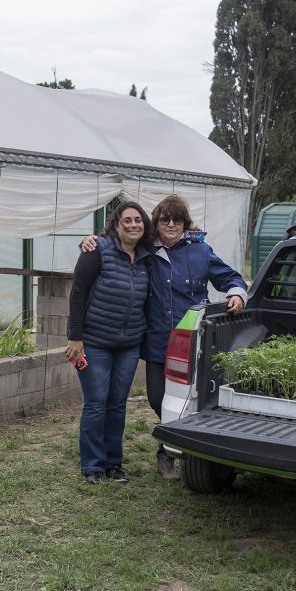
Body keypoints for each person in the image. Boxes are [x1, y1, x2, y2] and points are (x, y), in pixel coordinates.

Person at [82, 195, 246, 479]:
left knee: (195, 400)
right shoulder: (146, 250)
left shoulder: (200, 251)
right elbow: (116, 239)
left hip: (194, 343)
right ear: (155, 224)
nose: (171, 224)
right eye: (164, 219)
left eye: (177, 220)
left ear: (185, 224)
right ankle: (173, 445)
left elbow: (230, 277)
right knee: (158, 400)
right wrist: (89, 240)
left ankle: (168, 452)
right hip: (157, 343)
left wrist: (236, 294)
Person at [65, 201, 153, 484]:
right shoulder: (97, 250)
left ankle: (113, 464)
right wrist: (74, 338)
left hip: (128, 344)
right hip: (94, 342)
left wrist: (193, 230)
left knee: (117, 404)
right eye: (126, 220)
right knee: (96, 403)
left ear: (144, 225)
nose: (133, 225)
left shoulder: (146, 256)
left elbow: (176, 233)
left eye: (138, 220)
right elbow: (78, 293)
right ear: (116, 225)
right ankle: (92, 465)